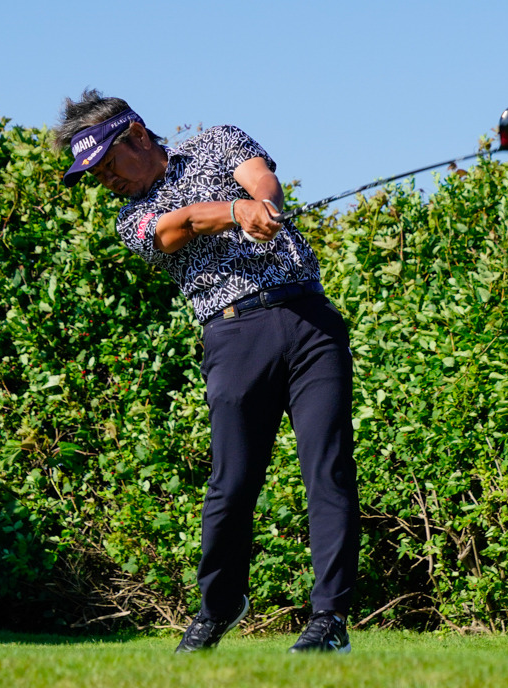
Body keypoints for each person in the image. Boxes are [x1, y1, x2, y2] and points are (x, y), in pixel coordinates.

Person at [53, 90, 359, 654]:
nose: (105, 183)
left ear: (137, 136)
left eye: (106, 165)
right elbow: (182, 224)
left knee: (329, 467)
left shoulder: (218, 139)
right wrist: (235, 213)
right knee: (232, 483)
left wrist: (261, 204)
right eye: (93, 176)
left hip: (310, 319)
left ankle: (329, 619)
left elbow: (262, 179)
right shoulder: (131, 217)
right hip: (234, 335)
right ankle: (220, 605)